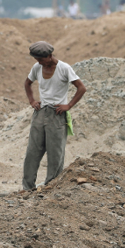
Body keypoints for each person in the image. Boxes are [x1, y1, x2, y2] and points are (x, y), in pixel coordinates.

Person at [23, 41, 87, 190]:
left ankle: (50, 187)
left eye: (41, 59)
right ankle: (28, 187)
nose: (39, 63)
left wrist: (68, 105)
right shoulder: (37, 67)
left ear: (50, 56)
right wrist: (32, 100)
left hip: (57, 114)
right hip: (40, 113)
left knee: (55, 153)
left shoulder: (64, 68)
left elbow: (81, 88)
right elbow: (27, 83)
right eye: (36, 60)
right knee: (33, 152)